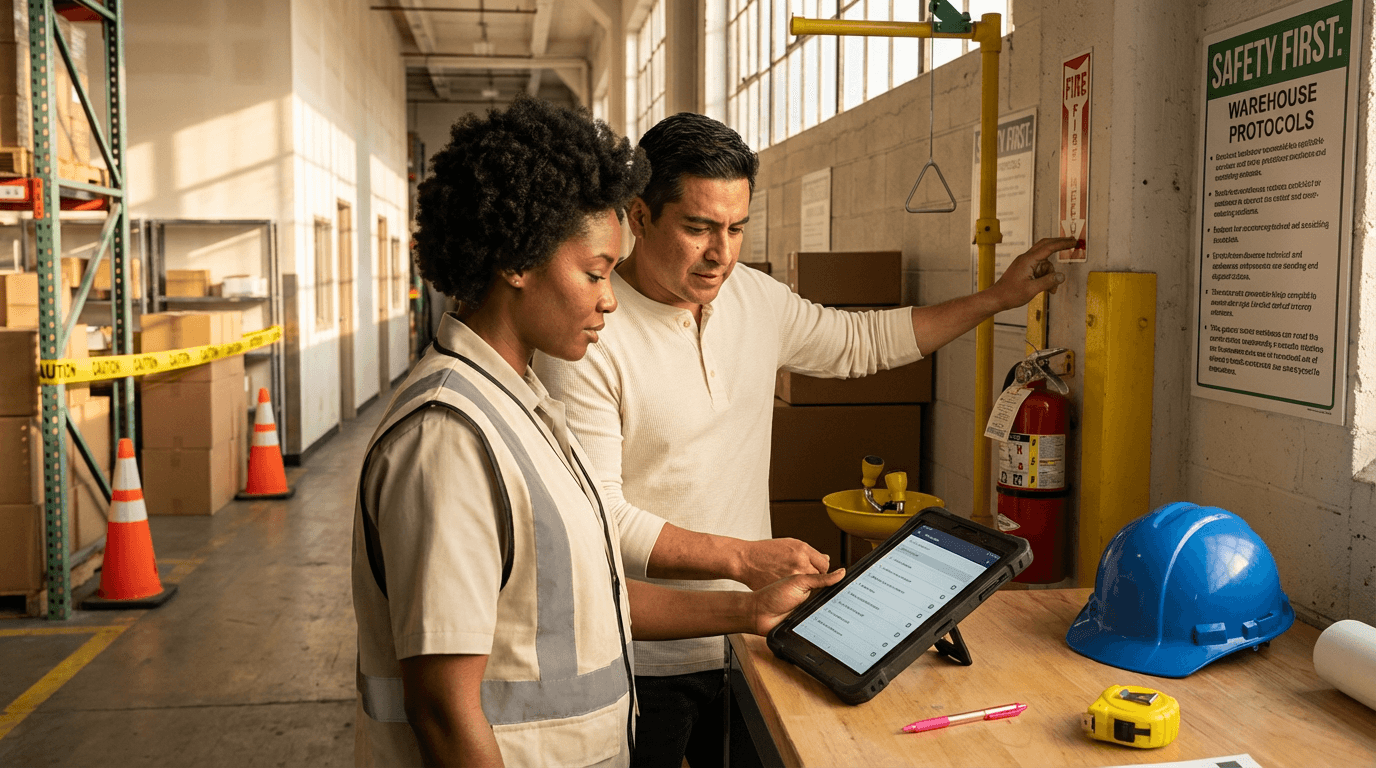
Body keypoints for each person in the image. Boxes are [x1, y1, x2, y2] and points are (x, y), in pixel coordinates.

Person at [534, 112, 1076, 768]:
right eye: (699, 228)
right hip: (640, 654)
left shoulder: (752, 298)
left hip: (754, 638)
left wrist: (997, 298)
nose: (721, 254)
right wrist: (743, 561)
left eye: (736, 228)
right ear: (640, 216)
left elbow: (861, 342)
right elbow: (601, 520)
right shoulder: (589, 334)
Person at [350, 97, 844, 768]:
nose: (610, 299)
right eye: (594, 273)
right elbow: (442, 711)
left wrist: (749, 611)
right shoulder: (449, 439)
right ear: (517, 262)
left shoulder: (522, 409)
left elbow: (590, 597)